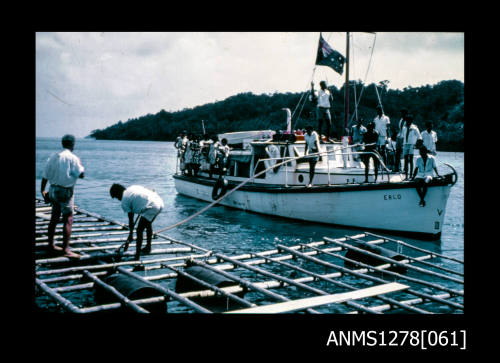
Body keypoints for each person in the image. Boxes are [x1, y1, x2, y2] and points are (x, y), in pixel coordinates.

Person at [40, 134, 85, 259]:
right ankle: (65, 249)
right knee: (68, 219)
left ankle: (51, 244)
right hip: (65, 191)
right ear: (73, 145)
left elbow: (45, 175)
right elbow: (81, 175)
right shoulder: (73, 158)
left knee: (54, 217)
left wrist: (42, 190)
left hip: (52, 189)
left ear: (62, 143)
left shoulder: (53, 157)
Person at [110, 184, 164, 260]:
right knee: (148, 224)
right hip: (159, 202)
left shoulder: (124, 200)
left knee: (139, 230)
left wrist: (131, 235)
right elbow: (148, 190)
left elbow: (131, 220)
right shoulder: (132, 188)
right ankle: (148, 247)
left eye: (116, 197)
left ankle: (137, 256)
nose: (118, 199)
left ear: (118, 193)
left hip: (151, 206)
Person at [401, 115, 422, 180]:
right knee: (406, 160)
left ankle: (411, 175)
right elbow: (402, 137)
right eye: (407, 120)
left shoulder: (414, 128)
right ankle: (406, 175)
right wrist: (402, 144)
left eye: (409, 120)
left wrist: (416, 145)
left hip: (411, 144)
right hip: (405, 144)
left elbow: (419, 137)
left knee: (411, 159)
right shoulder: (404, 128)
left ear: (411, 121)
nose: (407, 122)